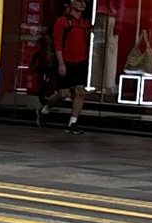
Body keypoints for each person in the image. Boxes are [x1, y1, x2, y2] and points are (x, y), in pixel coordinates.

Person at [47, 0, 94, 134]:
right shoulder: (62, 21)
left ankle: (72, 124)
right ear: (71, 3)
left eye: (84, 1)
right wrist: (61, 63)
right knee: (64, 93)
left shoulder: (86, 23)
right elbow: (57, 44)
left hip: (81, 62)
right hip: (66, 62)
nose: (82, 4)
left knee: (80, 92)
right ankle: (45, 109)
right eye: (79, 1)